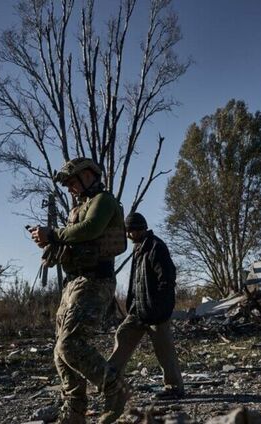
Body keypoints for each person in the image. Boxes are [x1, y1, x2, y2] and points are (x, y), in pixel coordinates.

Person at [28, 157, 129, 424]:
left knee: (70, 344)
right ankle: (74, 413)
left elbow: (91, 229)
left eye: (73, 181)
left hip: (95, 281)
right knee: (60, 352)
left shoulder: (104, 201)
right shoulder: (80, 207)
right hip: (73, 282)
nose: (71, 188)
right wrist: (51, 243)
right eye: (68, 184)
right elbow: (76, 237)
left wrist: (54, 234)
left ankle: (114, 389)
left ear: (88, 176)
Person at [107, 212, 185, 401]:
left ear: (139, 229)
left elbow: (167, 279)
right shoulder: (139, 248)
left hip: (156, 312)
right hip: (138, 311)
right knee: (122, 338)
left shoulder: (156, 247)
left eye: (130, 231)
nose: (128, 235)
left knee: (164, 351)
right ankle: (108, 382)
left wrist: (161, 308)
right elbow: (136, 281)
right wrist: (132, 306)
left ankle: (174, 388)